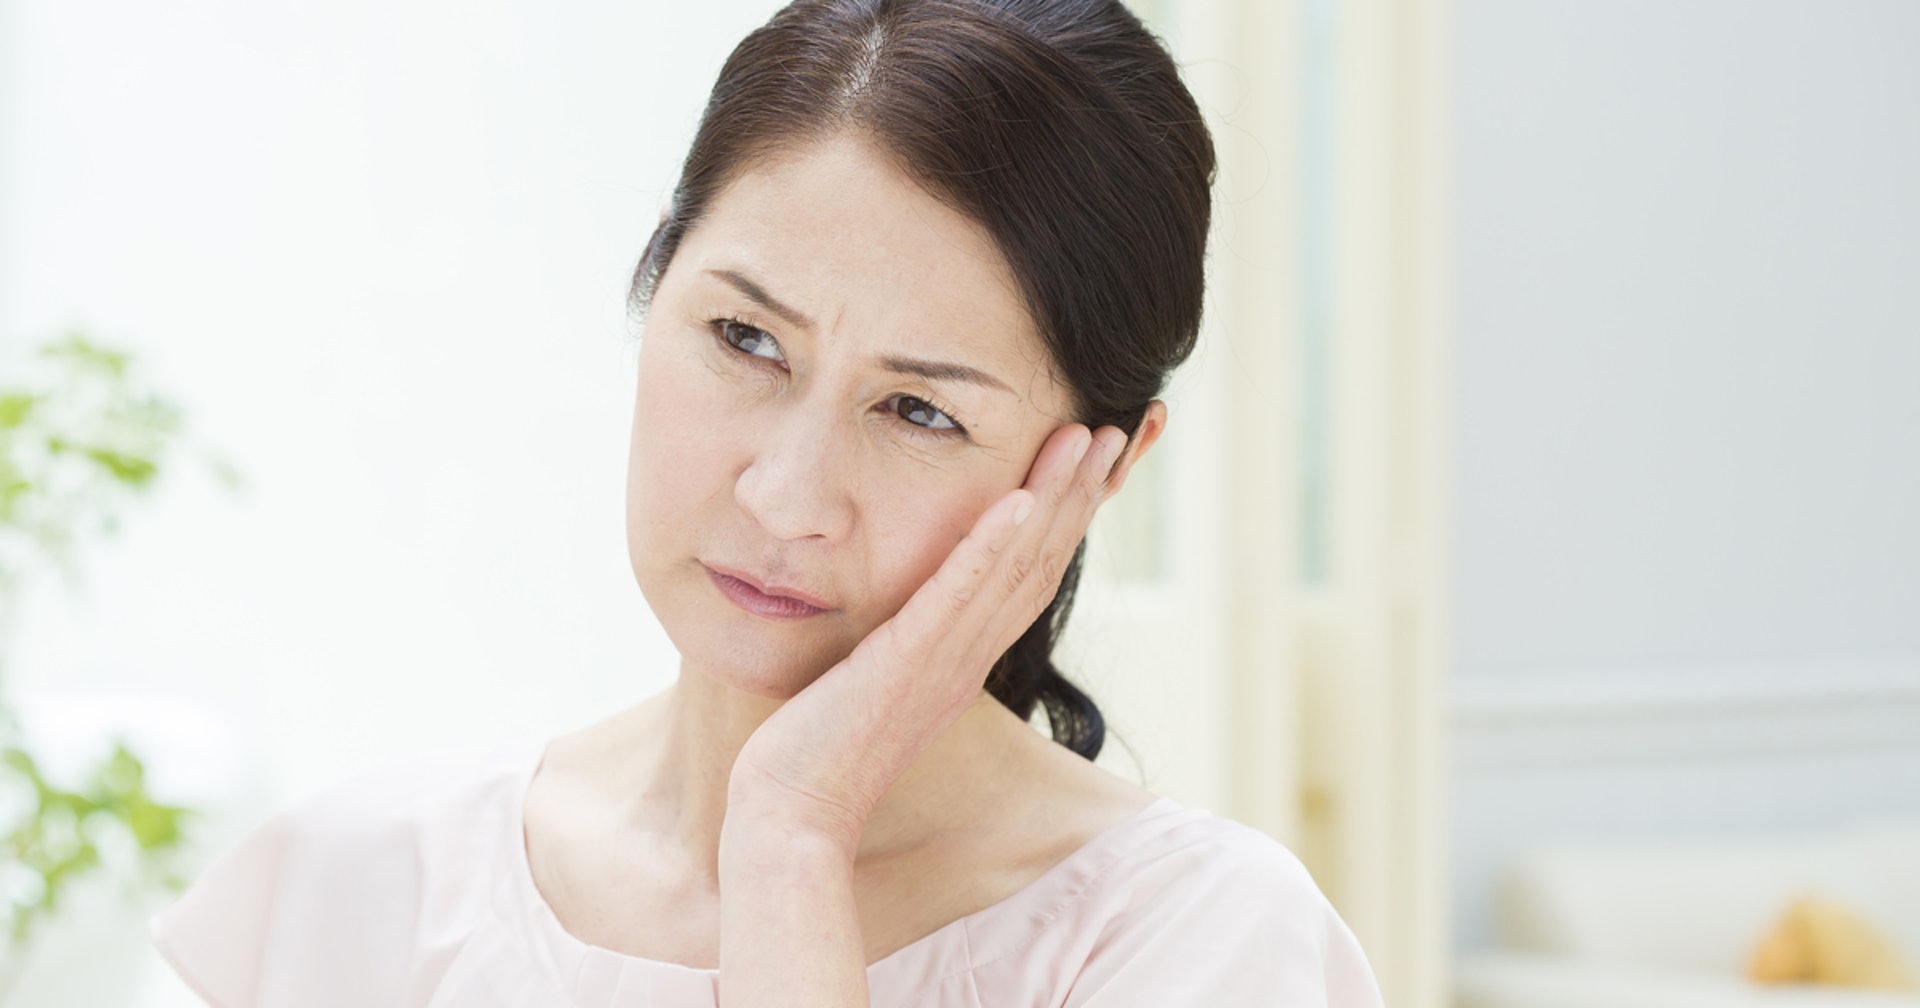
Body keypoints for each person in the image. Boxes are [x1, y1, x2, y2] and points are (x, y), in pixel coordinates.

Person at [151, 0, 1383, 1004]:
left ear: (1098, 469)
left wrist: (794, 835)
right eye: (744, 338)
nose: (786, 494)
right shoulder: (360, 894)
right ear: (655, 284)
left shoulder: (1196, 942)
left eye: (918, 410)